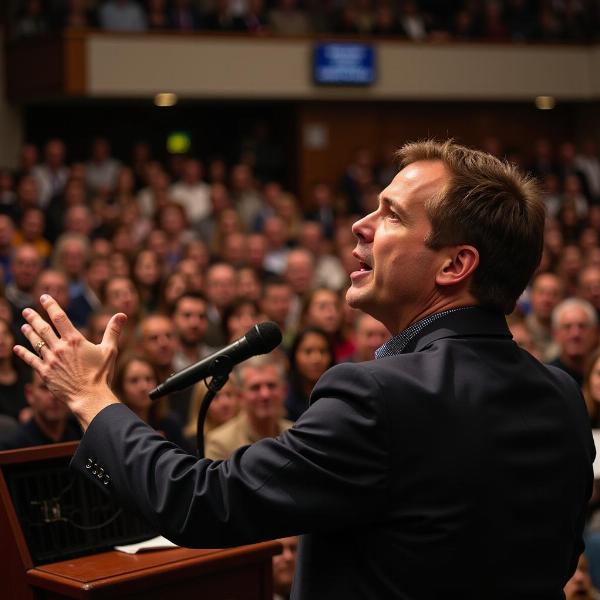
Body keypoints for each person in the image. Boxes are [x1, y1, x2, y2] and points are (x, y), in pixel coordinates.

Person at [15, 140, 594, 599]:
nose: (359, 226)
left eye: (390, 215)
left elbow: (199, 503)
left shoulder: (376, 395)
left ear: (455, 264)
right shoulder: (562, 394)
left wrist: (91, 396)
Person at [204, 354, 292, 460]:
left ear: (284, 391)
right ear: (240, 395)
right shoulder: (220, 443)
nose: (265, 394)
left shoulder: (296, 435)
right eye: (255, 387)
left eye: (271, 385)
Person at [285, 327, 334, 421]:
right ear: (294, 356)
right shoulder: (284, 397)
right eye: (308, 352)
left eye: (322, 351)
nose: (316, 359)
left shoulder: (339, 394)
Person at [549, 298, 599, 386]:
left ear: (595, 332)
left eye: (582, 326)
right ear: (555, 334)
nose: (575, 334)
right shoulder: (547, 376)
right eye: (567, 327)